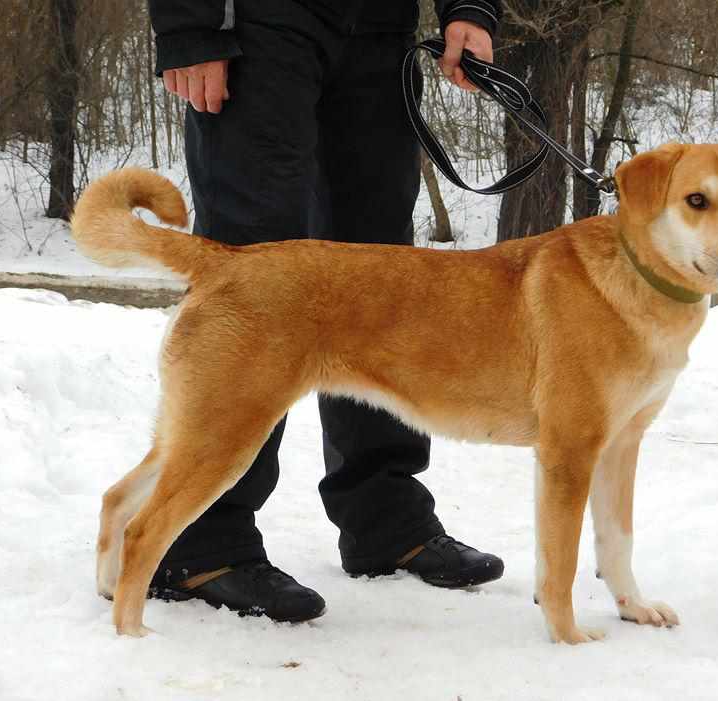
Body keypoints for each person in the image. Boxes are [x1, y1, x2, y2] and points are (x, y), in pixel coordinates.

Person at [146, 0, 503, 623]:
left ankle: (385, 522)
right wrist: (190, 26)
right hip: (256, 26)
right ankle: (204, 540)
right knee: (255, 278)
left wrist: (468, 7)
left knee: (381, 280)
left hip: (379, 31)